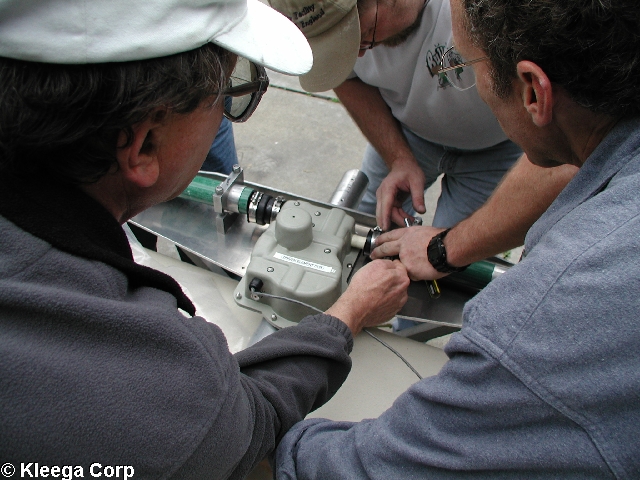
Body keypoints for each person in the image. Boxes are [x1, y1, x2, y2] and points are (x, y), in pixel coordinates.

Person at [0, 0, 410, 478]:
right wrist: (350, 311)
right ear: (144, 145)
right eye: (227, 97)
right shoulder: (164, 386)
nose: (224, 119)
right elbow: (246, 419)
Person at [276, 0, 640, 477]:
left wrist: (259, 424)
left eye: (466, 67)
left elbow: (389, 462)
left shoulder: (539, 318)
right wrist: (401, 159)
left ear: (533, 91)